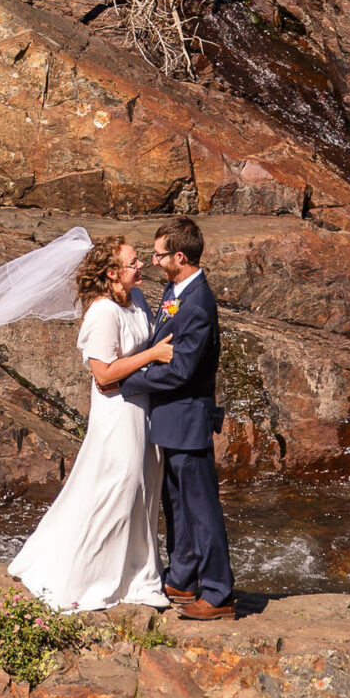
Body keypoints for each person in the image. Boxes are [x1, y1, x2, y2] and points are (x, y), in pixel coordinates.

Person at [3, 236, 175, 613]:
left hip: (142, 408)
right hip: (117, 412)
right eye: (133, 263)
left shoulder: (139, 300)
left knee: (143, 488)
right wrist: (155, 354)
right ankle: (88, 575)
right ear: (112, 273)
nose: (141, 265)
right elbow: (104, 374)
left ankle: (136, 573)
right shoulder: (102, 313)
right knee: (118, 485)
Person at [122, 217, 235, 620]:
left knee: (202, 509)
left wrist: (131, 379)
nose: (153, 261)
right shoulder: (176, 290)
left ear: (180, 257)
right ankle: (183, 577)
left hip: (189, 419)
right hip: (172, 419)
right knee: (177, 505)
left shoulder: (199, 303)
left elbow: (183, 368)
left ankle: (219, 592)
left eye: (159, 255)